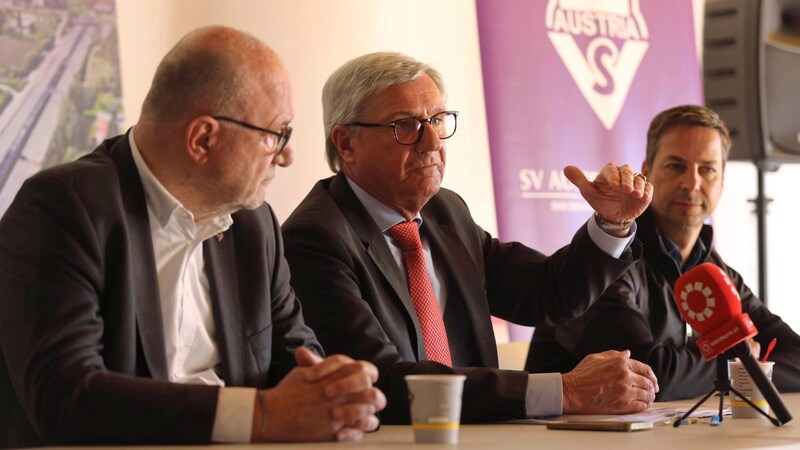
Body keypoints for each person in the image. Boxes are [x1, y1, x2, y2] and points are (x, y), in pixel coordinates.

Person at [0, 26, 385, 448]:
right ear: (203, 139)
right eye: (278, 134)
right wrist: (259, 415)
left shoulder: (253, 225)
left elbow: (294, 361)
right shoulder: (64, 208)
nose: (287, 155)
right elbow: (65, 398)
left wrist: (335, 390)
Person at [281, 51, 659, 424]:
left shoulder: (445, 212)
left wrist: (611, 223)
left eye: (437, 120)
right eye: (405, 125)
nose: (431, 142)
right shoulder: (315, 239)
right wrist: (566, 391)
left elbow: (545, 294)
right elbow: (382, 382)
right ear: (346, 144)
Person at [527, 105, 800, 400]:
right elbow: (650, 377)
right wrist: (740, 362)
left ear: (722, 183)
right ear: (646, 172)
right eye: (676, 166)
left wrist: (726, 366)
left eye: (707, 169)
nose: (691, 183)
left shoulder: (716, 270)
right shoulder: (605, 260)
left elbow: (796, 356)